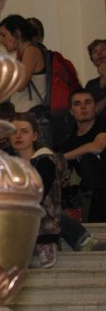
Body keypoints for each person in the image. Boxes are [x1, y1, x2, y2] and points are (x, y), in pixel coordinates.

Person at [11, 113, 66, 268]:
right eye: (14, 132)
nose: (18, 136)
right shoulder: (6, 164)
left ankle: (44, 244)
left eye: (24, 131)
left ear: (35, 136)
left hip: (41, 215)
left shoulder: (45, 160)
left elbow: (39, 193)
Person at [56, 89, 106, 222]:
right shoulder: (69, 141)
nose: (83, 107)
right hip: (92, 194)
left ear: (95, 108)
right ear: (71, 111)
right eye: (77, 104)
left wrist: (61, 157)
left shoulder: (103, 125)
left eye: (87, 102)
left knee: (88, 159)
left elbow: (98, 147)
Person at [0, 14, 46, 113]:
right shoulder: (22, 55)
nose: (1, 41)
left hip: (31, 115)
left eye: (4, 35)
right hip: (24, 114)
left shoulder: (31, 51)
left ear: (17, 33)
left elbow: (20, 85)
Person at [83, 38, 106, 116]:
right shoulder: (91, 85)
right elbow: (91, 113)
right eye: (94, 52)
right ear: (93, 61)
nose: (99, 53)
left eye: (103, 49)